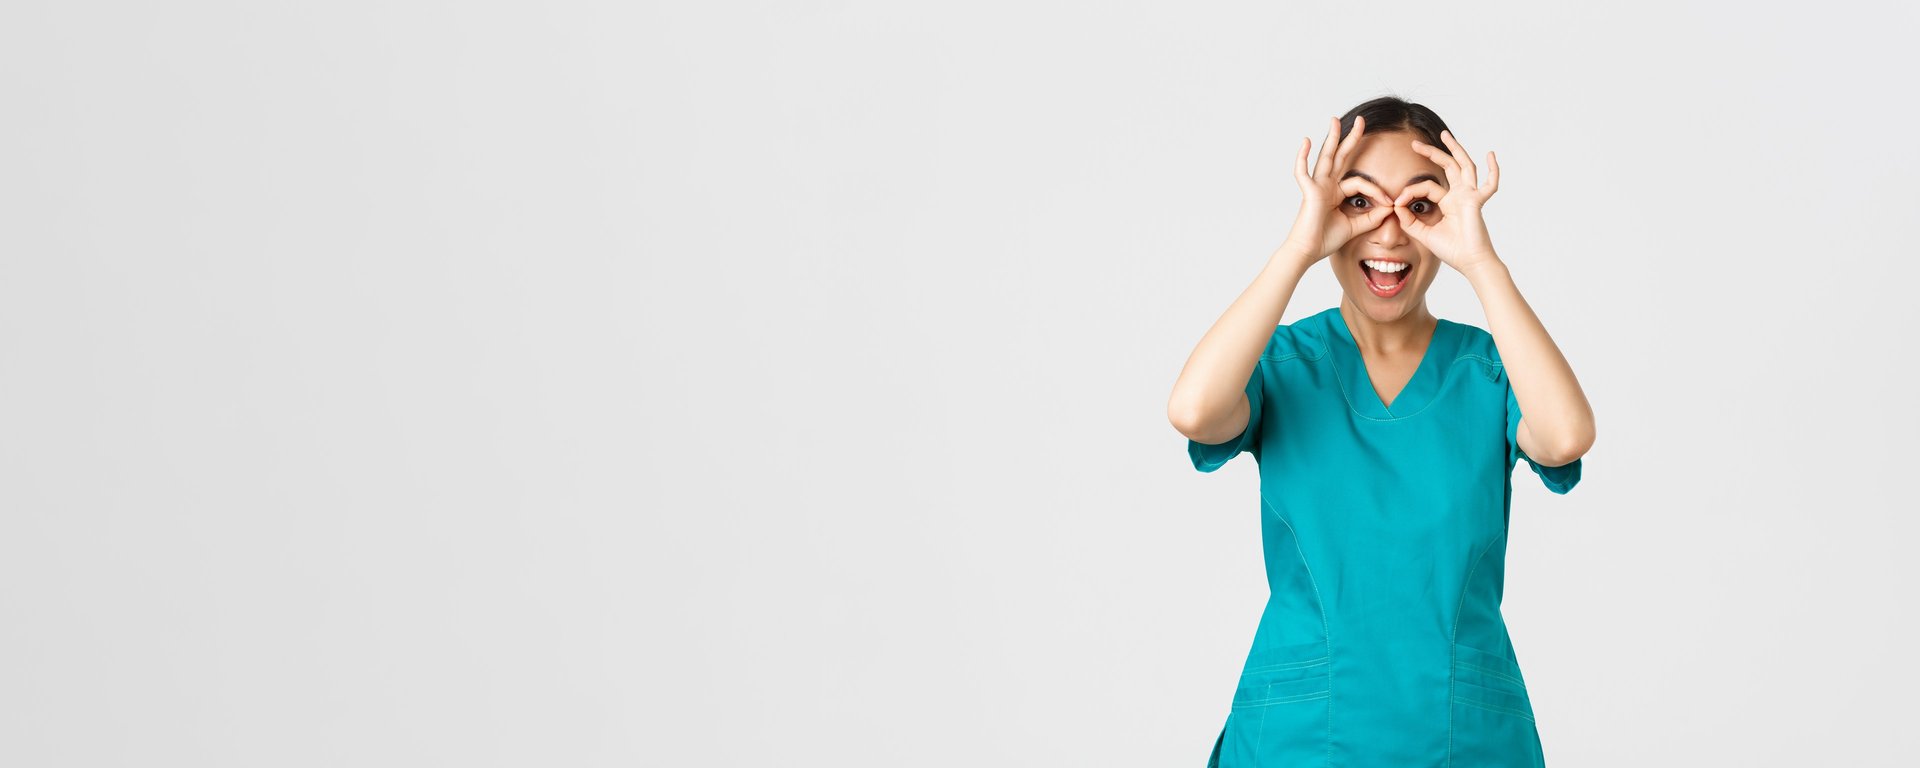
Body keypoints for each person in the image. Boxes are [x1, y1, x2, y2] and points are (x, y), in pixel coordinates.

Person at [1166, 96, 1597, 767]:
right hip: (1300, 741)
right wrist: (1298, 247)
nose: (1390, 235)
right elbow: (1193, 410)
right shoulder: (1283, 366)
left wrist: (1483, 264)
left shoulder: (1488, 372)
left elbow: (1566, 435)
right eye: (1360, 203)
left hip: (1461, 741)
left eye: (1421, 206)